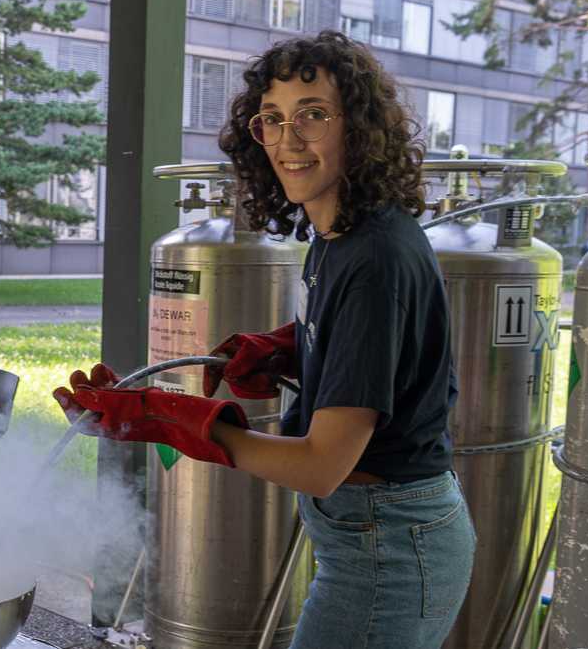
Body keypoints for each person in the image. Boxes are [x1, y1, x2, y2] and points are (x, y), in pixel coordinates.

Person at [54, 32, 474, 649]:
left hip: (388, 549)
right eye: (271, 120)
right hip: (374, 539)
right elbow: (377, 348)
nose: (288, 140)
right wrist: (286, 349)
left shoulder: (375, 257)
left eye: (313, 115)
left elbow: (322, 464)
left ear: (359, 127)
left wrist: (175, 421)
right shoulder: (340, 236)